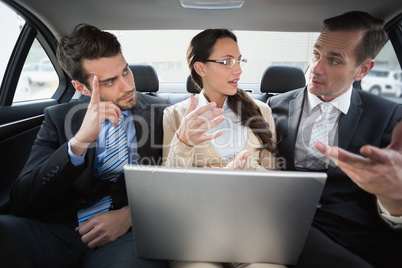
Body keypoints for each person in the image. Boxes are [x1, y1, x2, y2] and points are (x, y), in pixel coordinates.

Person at [0, 24, 169, 268]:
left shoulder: (162, 112)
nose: (128, 86)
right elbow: (23, 200)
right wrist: (78, 143)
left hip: (125, 233)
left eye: (126, 71)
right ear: (81, 88)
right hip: (58, 227)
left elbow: (179, 184)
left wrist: (129, 216)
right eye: (110, 81)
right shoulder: (58, 118)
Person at [267, 11, 402, 268]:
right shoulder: (274, 106)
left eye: (334, 60)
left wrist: (393, 200)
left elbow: (392, 201)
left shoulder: (388, 115)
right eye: (316, 53)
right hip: (290, 221)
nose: (315, 69)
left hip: (361, 228)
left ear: (363, 69)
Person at [163, 29, 282, 268]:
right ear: (201, 69)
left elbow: (275, 180)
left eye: (239, 61)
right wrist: (184, 143)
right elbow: (169, 187)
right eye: (227, 61)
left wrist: (239, 172)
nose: (238, 70)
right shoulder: (175, 115)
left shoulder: (262, 111)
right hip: (198, 228)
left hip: (253, 226)